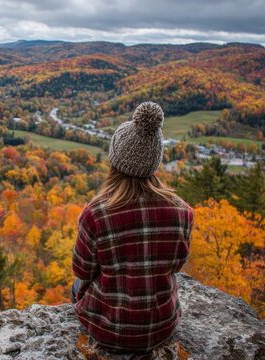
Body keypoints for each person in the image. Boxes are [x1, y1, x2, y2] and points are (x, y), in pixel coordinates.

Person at [71, 101, 194, 354]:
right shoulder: (183, 212)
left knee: (75, 284)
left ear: (114, 160)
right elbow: (176, 265)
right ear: (154, 161)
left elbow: (82, 269)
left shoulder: (95, 214)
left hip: (107, 330)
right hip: (162, 326)